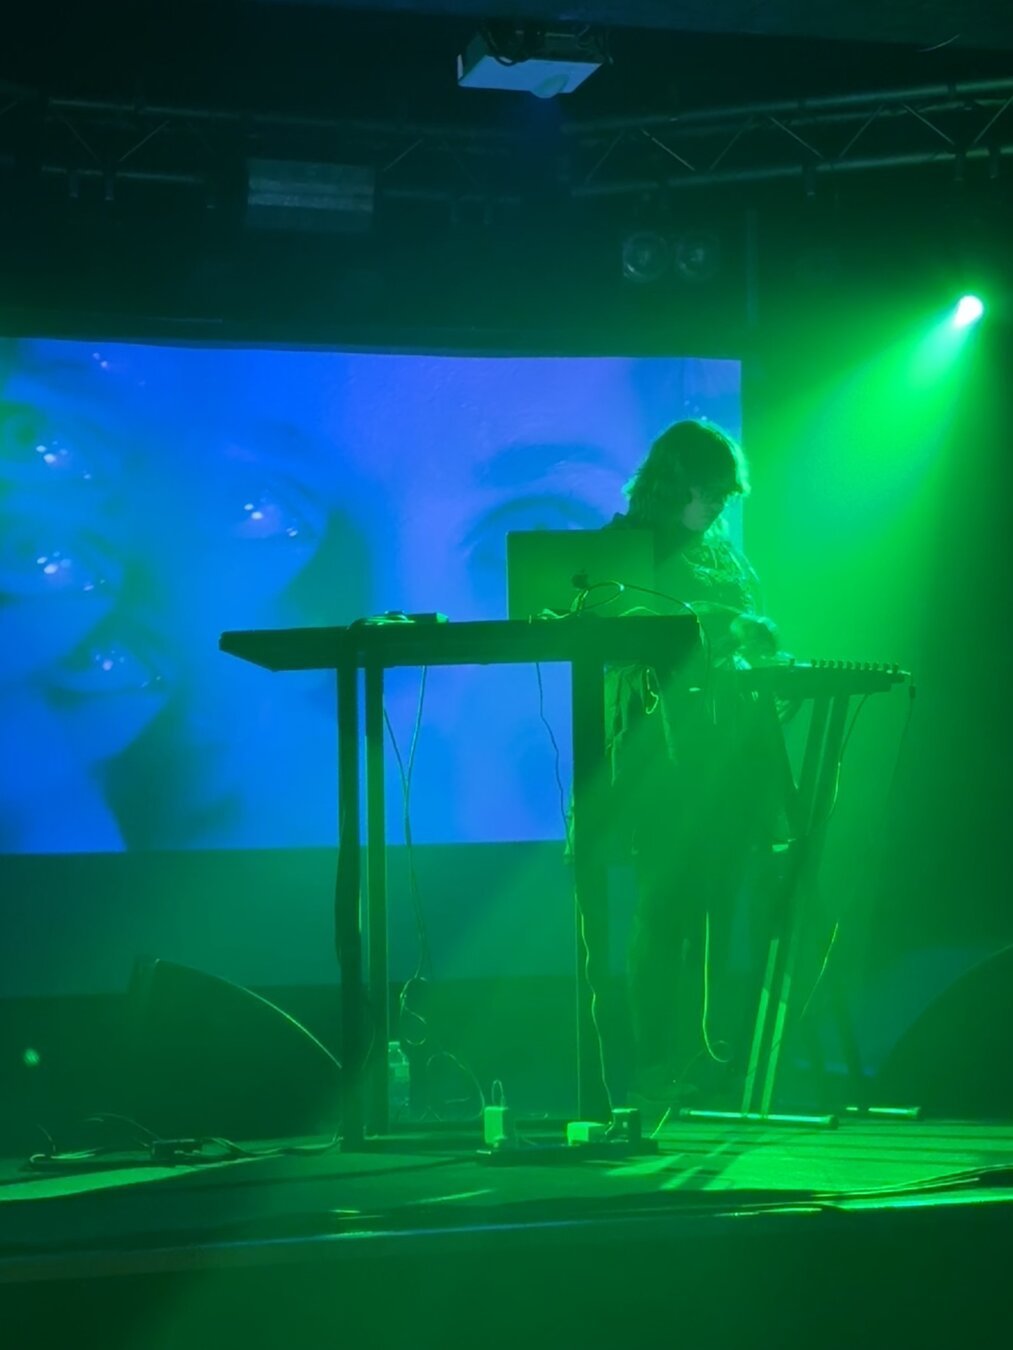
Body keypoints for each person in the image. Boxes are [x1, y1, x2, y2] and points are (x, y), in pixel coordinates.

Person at [602, 419, 785, 1105]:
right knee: (665, 904)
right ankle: (654, 1064)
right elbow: (616, 641)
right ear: (671, 480)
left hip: (733, 750)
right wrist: (714, 622)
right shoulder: (625, 545)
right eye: (706, 492)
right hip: (662, 755)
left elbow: (746, 624)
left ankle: (706, 1062)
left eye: (723, 495)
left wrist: (760, 642)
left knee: (722, 899)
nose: (717, 506)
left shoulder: (722, 552)